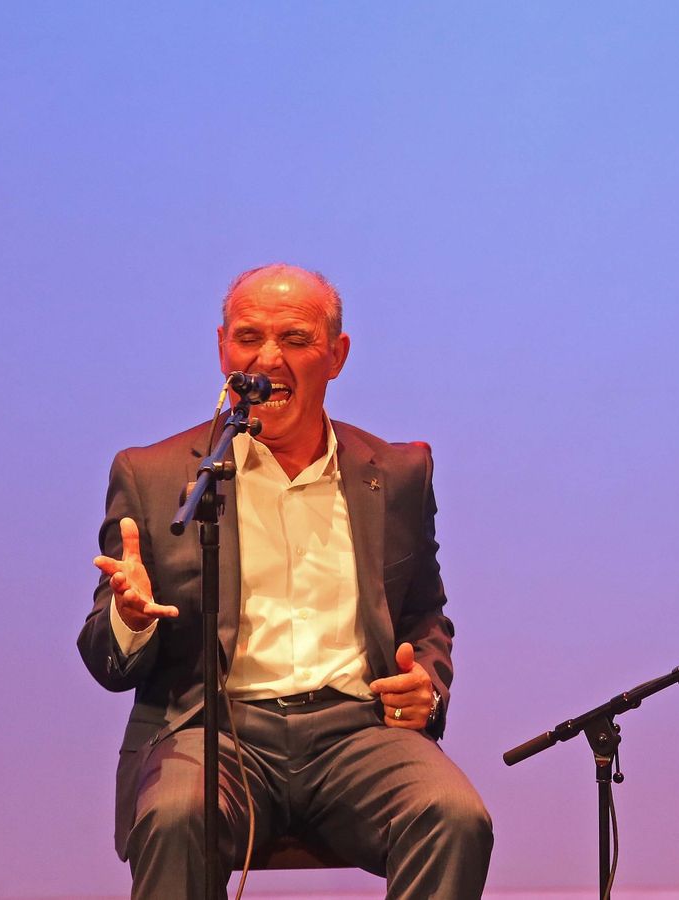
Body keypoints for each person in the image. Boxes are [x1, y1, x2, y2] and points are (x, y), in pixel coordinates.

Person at [78, 264, 492, 899]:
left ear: (337, 355)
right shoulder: (154, 475)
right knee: (173, 816)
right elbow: (108, 662)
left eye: (296, 340)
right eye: (249, 338)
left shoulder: (399, 473)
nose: (268, 359)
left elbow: (425, 613)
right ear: (223, 348)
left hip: (357, 732)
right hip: (213, 732)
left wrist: (427, 687)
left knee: (454, 816)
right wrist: (129, 620)